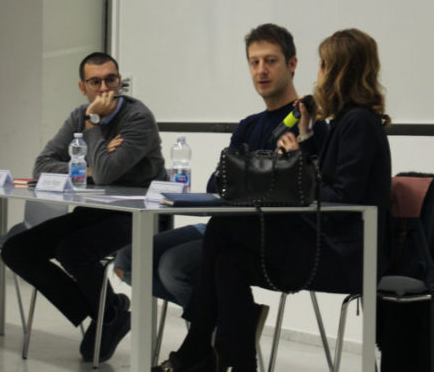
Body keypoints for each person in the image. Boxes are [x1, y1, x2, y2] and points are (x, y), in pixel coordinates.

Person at [151, 28, 392, 372]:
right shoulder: (346, 122)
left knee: (222, 232)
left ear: (340, 70)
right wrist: (305, 147)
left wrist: (297, 160)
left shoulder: (359, 124)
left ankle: (197, 346)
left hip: (345, 255)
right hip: (326, 244)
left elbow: (339, 202)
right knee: (227, 259)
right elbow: (319, 185)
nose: (319, 74)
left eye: (324, 65)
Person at [110, 23, 327, 326]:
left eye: (271, 61)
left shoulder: (309, 124)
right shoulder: (249, 125)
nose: (261, 70)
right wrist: (260, 174)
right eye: (254, 62)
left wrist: (249, 175)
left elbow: (305, 191)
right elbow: (217, 184)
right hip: (223, 227)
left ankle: (223, 331)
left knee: (173, 267)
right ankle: (234, 320)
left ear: (292, 64)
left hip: (267, 237)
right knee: (127, 261)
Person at [1, 52, 166, 363]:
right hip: (93, 210)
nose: (104, 88)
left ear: (119, 81)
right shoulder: (79, 115)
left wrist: (93, 127)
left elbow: (106, 174)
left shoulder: (137, 118)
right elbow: (42, 165)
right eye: (95, 82)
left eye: (110, 80)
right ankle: (108, 312)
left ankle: (106, 315)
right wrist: (90, 167)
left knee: (72, 250)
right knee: (16, 250)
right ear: (82, 87)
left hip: (138, 213)